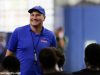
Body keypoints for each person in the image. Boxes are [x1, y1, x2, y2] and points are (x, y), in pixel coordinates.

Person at [5, 6, 57, 75]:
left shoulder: (50, 35)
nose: (34, 18)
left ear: (44, 18)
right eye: (32, 15)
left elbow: (53, 59)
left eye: (38, 15)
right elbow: (8, 56)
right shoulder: (18, 32)